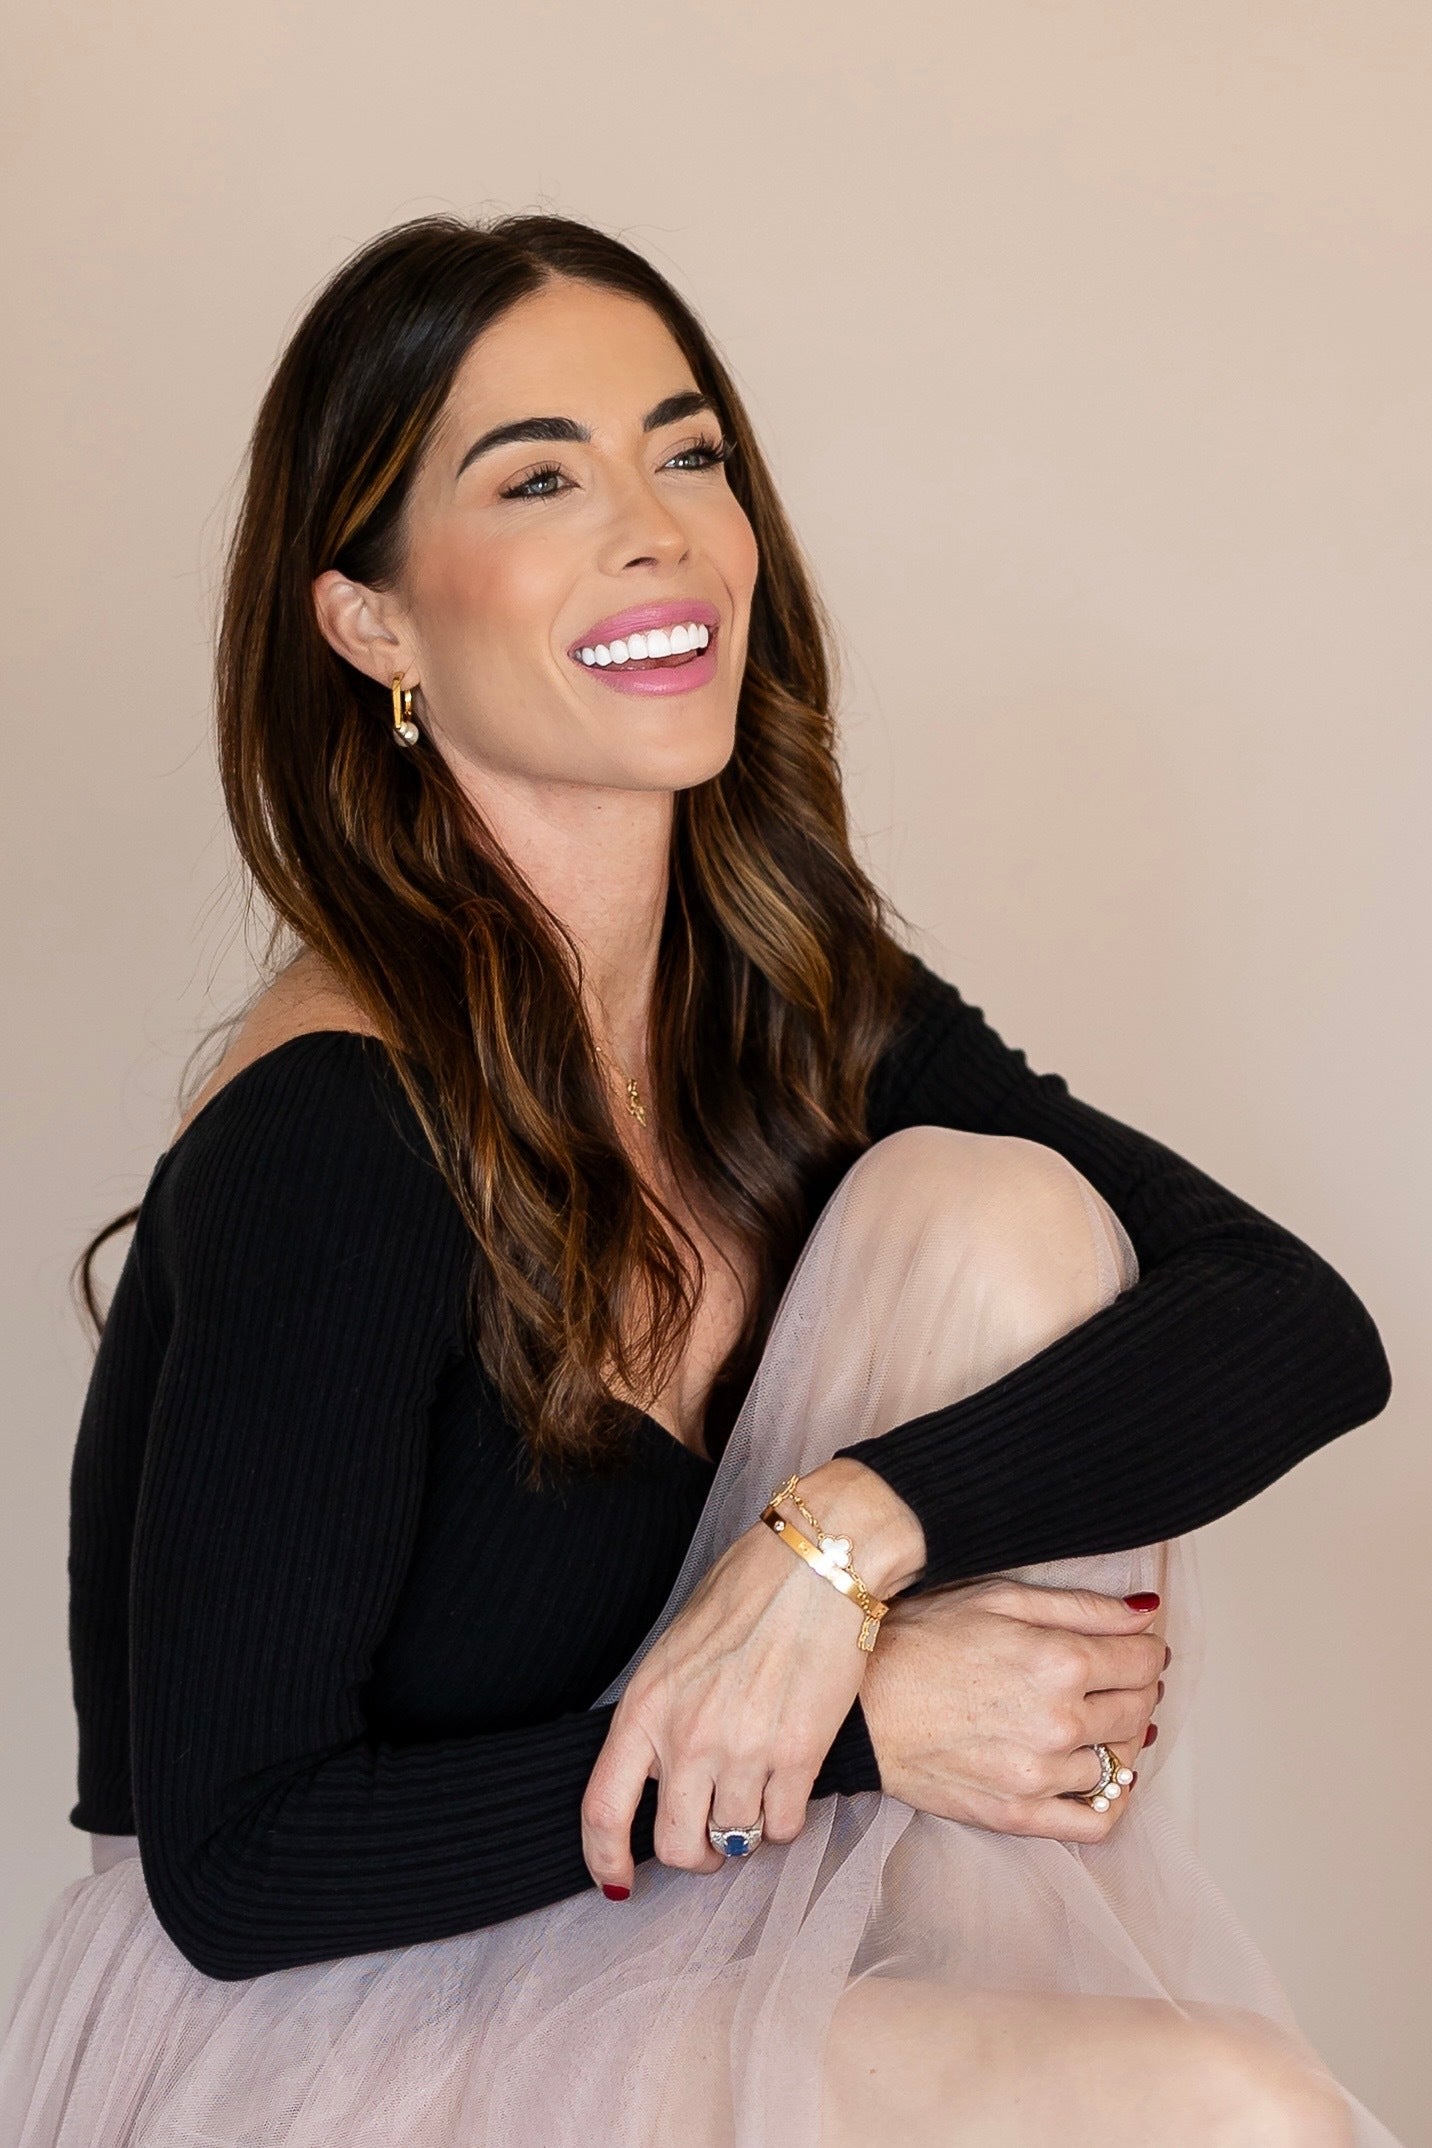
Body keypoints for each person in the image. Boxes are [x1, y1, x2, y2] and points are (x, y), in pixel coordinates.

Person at [0, 214, 1403, 2147]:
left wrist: (846, 1541)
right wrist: (868, 1715)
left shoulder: (790, 1002)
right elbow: (238, 1871)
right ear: (374, 624)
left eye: (690, 453)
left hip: (670, 1931)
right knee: (1233, 2115)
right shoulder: (330, 1134)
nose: (658, 527)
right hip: (327, 2028)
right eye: (542, 477)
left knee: (992, 1216)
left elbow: (1296, 1326)